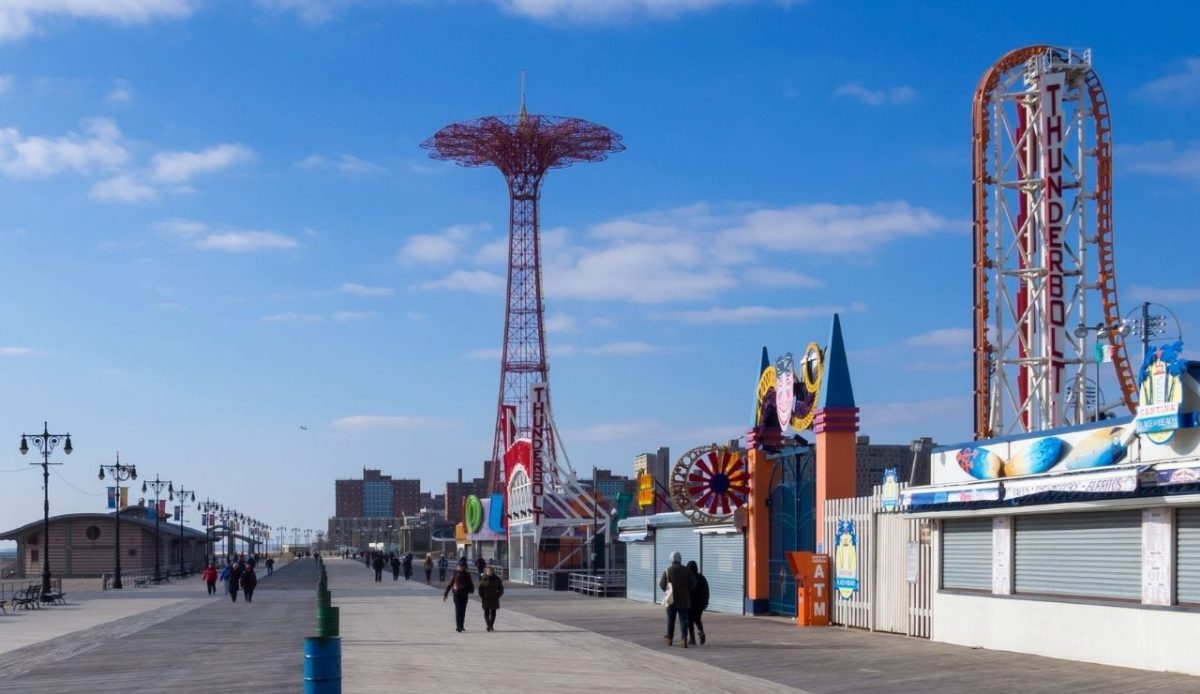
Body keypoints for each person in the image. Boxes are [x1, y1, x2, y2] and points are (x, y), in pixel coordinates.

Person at [659, 551, 696, 648]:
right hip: (684, 600)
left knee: (671, 620)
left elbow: (662, 585)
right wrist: (686, 590)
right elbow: (693, 584)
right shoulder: (687, 570)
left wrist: (668, 590)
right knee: (683, 620)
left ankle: (670, 639)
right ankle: (684, 640)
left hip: (671, 601)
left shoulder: (668, 570)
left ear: (671, 559)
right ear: (680, 559)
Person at [443, 559, 475, 633]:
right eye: (459, 566)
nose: (460, 567)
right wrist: (446, 593)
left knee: (463, 610)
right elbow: (450, 584)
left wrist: (471, 589)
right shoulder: (454, 574)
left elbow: (471, 583)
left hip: (464, 594)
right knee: (458, 610)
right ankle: (458, 626)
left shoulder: (467, 574)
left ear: (464, 567)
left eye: (462, 566)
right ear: (457, 566)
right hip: (457, 594)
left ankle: (462, 625)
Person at [685, 560, 709, 645]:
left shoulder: (688, 579)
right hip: (700, 604)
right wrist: (706, 601)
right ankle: (701, 631)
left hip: (690, 603)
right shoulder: (702, 577)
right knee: (697, 619)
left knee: (689, 621)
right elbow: (706, 590)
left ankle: (692, 639)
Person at [478, 565, 505, 632]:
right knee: (486, 611)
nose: (490, 572)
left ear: (493, 572)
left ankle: (491, 626)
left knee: (493, 612)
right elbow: (480, 588)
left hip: (494, 597)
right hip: (485, 597)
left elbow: (501, 588)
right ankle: (488, 625)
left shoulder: (497, 579)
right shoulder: (483, 578)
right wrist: (481, 595)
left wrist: (498, 595)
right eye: (488, 571)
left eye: (491, 571)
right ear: (486, 572)